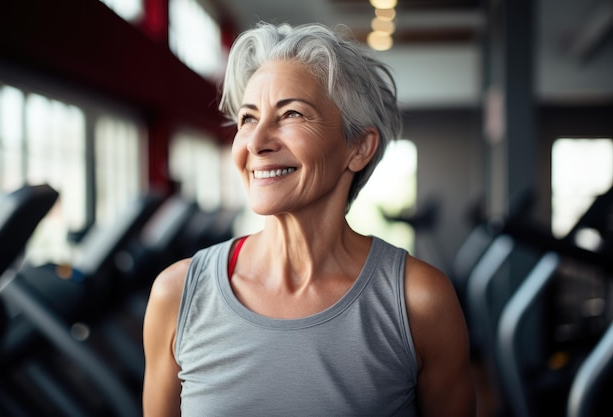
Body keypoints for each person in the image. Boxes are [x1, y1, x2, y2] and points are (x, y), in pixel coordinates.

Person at [143, 21, 476, 417]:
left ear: (358, 148)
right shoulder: (178, 295)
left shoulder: (420, 301)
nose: (257, 142)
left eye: (292, 114)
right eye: (248, 118)